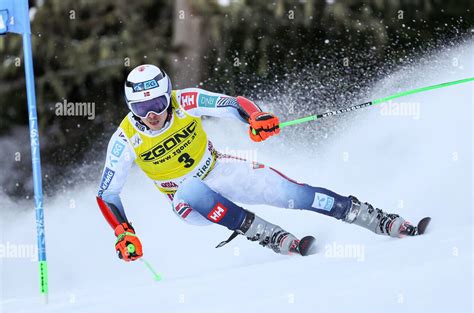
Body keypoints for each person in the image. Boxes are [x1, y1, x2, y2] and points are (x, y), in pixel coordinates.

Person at [97, 64, 425, 262]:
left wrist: (256, 117)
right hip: (187, 203)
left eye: (156, 103)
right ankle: (268, 234)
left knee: (292, 193)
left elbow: (231, 103)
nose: (152, 115)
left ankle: (376, 219)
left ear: (167, 94)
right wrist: (123, 231)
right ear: (130, 107)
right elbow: (106, 194)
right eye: (141, 108)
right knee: (191, 188)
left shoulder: (185, 101)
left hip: (220, 169)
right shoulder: (125, 140)